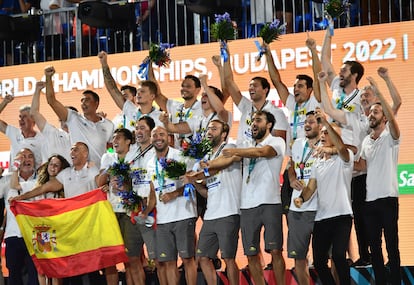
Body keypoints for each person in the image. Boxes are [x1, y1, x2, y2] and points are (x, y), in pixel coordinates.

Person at [319, 67, 402, 267]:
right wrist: (322, 83)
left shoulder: (383, 119)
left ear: (376, 100)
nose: (364, 98)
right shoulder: (356, 119)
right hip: (358, 174)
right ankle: (365, 256)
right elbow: (329, 110)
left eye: (368, 95)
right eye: (362, 96)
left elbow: (397, 102)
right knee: (360, 218)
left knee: (387, 232)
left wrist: (385, 81)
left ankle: (390, 264)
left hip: (376, 179)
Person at [205, 111, 286, 285]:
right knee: (250, 253)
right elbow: (226, 160)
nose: (254, 124)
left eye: (259, 120)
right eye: (252, 121)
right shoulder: (245, 144)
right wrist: (205, 167)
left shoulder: (276, 141)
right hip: (247, 206)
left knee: (275, 251)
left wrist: (236, 151)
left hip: (270, 202)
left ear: (269, 124)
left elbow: (262, 152)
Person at [294, 74, 354, 285]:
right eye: (321, 136)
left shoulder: (345, 158)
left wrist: (326, 124)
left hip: (342, 216)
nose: (322, 137)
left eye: (326, 135)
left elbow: (340, 147)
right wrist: (301, 198)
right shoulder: (318, 162)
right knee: (319, 262)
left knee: (338, 256)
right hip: (322, 218)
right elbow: (311, 187)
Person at [354, 76, 401, 285]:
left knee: (392, 245)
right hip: (370, 200)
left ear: (384, 118)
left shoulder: (391, 135)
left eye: (376, 111)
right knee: (375, 247)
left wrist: (382, 82)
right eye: (370, 111)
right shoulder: (366, 140)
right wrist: (338, 156)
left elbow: (394, 107)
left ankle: (396, 281)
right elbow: (361, 166)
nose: (371, 114)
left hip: (388, 198)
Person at [186, 120, 241, 285]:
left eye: (214, 129)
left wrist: (202, 171)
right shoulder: (206, 157)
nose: (209, 132)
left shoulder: (230, 148)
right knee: (202, 257)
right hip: (211, 214)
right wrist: (193, 181)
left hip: (229, 212)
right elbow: (207, 192)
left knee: (228, 258)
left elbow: (219, 166)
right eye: (208, 129)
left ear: (223, 134)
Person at [97, 128, 154, 285]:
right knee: (113, 259)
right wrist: (109, 175)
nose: (114, 141)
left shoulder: (136, 157)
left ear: (129, 141)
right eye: (113, 138)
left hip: (129, 212)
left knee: (132, 259)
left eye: (119, 138)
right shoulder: (108, 157)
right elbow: (99, 182)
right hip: (111, 213)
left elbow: (140, 183)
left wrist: (125, 183)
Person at [147, 126, 197, 285]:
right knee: (168, 261)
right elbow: (153, 192)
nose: (158, 137)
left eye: (162, 134)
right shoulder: (150, 163)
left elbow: (192, 183)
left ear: (169, 138)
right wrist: (146, 211)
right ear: (151, 139)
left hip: (183, 214)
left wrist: (173, 194)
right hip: (162, 219)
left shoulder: (181, 157)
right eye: (154, 135)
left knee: (188, 258)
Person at [11, 154, 70, 285]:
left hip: (58, 231)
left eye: (56, 165)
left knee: (55, 267)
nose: (53, 168)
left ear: (62, 169)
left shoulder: (65, 183)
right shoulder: (36, 184)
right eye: (51, 164)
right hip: (41, 230)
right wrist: (19, 199)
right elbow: (17, 186)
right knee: (41, 267)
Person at [44, 66, 114, 168]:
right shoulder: (73, 118)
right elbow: (51, 101)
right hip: (79, 174)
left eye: (87, 100)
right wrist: (48, 78)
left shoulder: (109, 125)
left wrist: (108, 160)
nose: (83, 103)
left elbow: (111, 148)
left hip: (100, 175)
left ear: (96, 103)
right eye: (82, 100)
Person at [221, 44, 289, 144]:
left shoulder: (276, 113)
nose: (251, 88)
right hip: (242, 157)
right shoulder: (246, 106)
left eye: (255, 85)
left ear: (265, 90)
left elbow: (280, 143)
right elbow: (229, 81)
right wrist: (226, 54)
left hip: (263, 158)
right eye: (250, 86)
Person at [287, 111, 320, 285]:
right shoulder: (298, 144)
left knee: (327, 258)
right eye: (306, 122)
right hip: (298, 210)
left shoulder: (327, 144)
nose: (307, 125)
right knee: (299, 257)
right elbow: (291, 165)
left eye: (312, 122)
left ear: (321, 125)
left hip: (322, 209)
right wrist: (292, 178)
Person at [99, 51, 163, 131]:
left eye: (142, 91)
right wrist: (104, 64)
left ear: (152, 96)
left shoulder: (161, 118)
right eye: (138, 91)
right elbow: (113, 89)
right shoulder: (130, 110)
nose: (138, 93)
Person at [11, 142, 98, 200]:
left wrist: (105, 187)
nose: (71, 152)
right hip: (74, 219)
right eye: (71, 150)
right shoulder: (66, 173)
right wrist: (20, 197)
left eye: (75, 150)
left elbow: (103, 185)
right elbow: (42, 188)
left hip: (90, 217)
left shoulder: (94, 170)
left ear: (85, 153)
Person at [4, 148, 40, 285]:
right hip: (12, 235)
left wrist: (14, 169)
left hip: (34, 235)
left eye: (30, 156)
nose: (27, 159)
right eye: (22, 157)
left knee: (35, 275)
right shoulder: (6, 181)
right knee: (14, 276)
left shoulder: (39, 181)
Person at [159, 74, 231, 138]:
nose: (203, 97)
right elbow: (173, 128)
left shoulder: (223, 116)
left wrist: (204, 85)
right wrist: (165, 122)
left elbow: (221, 108)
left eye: (207, 95)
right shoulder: (197, 120)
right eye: (202, 95)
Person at [149, 65, 203, 149]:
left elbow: (183, 128)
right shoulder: (175, 106)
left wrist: (167, 123)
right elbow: (157, 94)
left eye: (188, 86)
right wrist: (149, 67)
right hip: (178, 154)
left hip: (196, 156)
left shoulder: (202, 107)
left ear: (198, 90)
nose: (184, 89)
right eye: (182, 86)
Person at [30, 81, 73, 164]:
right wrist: (37, 90)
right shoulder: (52, 133)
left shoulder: (83, 135)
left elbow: (104, 150)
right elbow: (34, 112)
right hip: (51, 176)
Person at [0, 95, 44, 169]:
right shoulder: (14, 132)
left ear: (33, 119)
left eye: (25, 116)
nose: (21, 120)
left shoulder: (42, 139)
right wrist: (5, 102)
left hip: (34, 179)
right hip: (14, 178)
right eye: (20, 117)